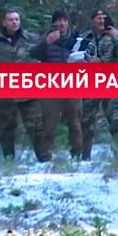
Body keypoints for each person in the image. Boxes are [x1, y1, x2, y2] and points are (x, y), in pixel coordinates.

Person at [0, 8, 46, 162]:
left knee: (36, 127)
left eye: (17, 19)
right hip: (5, 95)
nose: (14, 22)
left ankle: (44, 159)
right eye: (11, 20)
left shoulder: (31, 39)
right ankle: (9, 161)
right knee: (6, 129)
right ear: (4, 22)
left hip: (29, 92)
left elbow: (44, 57)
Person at [28, 9, 84, 160]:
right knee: (49, 123)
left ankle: (77, 153)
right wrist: (47, 42)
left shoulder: (76, 40)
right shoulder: (47, 39)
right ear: (54, 23)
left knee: (75, 123)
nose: (61, 23)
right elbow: (32, 54)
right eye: (58, 20)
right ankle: (44, 156)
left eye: (64, 20)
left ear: (68, 22)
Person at [79, 9, 118, 160]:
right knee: (86, 120)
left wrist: (116, 37)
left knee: (116, 119)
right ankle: (84, 157)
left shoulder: (115, 35)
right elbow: (76, 57)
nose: (101, 21)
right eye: (98, 18)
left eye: (104, 18)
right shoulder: (85, 38)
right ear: (92, 20)